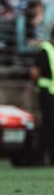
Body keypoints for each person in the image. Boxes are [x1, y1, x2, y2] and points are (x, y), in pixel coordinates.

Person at [30, 36, 54, 164]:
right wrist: (35, 86)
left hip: (52, 92)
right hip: (46, 92)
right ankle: (38, 156)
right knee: (48, 125)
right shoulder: (45, 50)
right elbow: (35, 71)